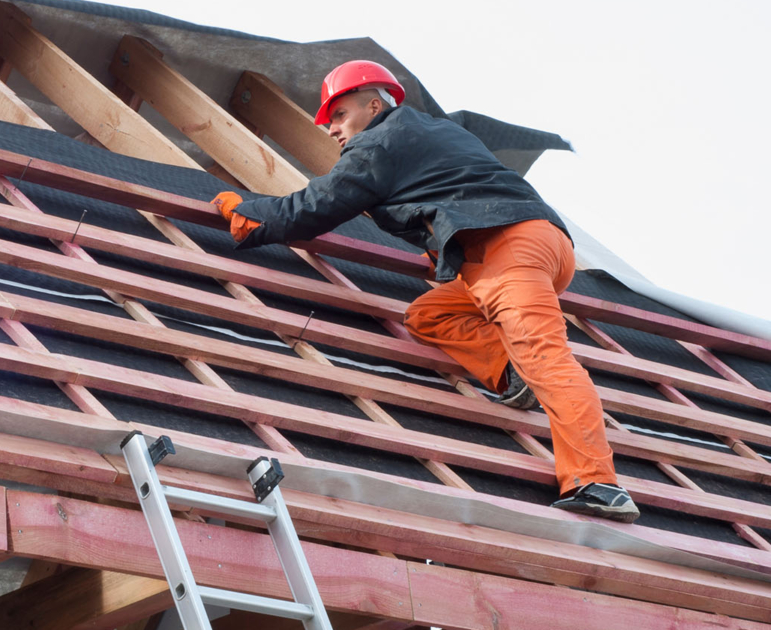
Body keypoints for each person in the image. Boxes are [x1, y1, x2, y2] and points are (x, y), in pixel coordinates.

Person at [211, 60, 639, 523]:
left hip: (505, 249)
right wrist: (442, 251)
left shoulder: (377, 143)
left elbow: (316, 207)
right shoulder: (437, 132)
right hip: (542, 247)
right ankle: (509, 372)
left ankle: (596, 483)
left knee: (547, 357)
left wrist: (250, 215)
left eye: (338, 115)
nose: (332, 129)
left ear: (374, 104)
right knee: (430, 314)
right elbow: (453, 188)